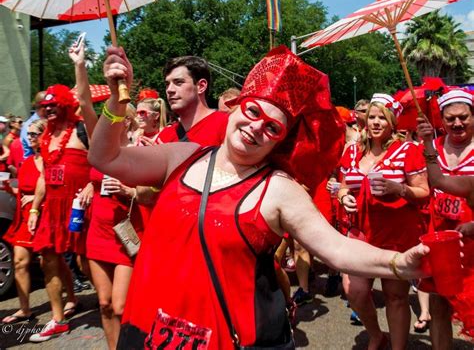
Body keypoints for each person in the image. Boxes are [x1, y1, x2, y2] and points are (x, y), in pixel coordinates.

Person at [89, 46, 433, 350]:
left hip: (228, 335)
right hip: (147, 325)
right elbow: (106, 158)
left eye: (272, 128)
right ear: (237, 108)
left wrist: (397, 264)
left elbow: (337, 248)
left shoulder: (277, 187)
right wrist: (116, 101)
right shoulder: (181, 156)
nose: (256, 128)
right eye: (253, 113)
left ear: (278, 142)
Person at [337, 93, 429, 350]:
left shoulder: (408, 150)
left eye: (382, 118)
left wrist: (397, 189)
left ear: (393, 122)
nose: (376, 122)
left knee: (396, 296)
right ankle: (376, 334)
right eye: (372, 117)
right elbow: (344, 187)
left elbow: (423, 192)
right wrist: (344, 198)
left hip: (396, 234)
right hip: (359, 232)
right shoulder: (353, 151)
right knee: (354, 290)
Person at [67, 38, 143, 349]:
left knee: (122, 305)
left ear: (128, 118)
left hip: (126, 232)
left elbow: (152, 190)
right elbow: (84, 102)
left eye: (122, 114)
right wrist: (80, 65)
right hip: (97, 230)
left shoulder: (138, 150)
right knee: (104, 303)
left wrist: (127, 190)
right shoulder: (100, 142)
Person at [27, 84, 91, 342]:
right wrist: (34, 208)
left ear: (66, 105)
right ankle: (58, 319)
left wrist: (91, 185)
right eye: (45, 106)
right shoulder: (44, 137)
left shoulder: (82, 129)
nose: (49, 109)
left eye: (54, 105)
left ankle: (110, 300)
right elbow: (44, 176)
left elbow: (103, 161)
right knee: (47, 259)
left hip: (80, 206)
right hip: (52, 208)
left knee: (85, 262)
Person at [416, 89, 474, 347]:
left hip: (473, 240)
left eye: (463, 117)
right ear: (441, 120)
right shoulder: (431, 147)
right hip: (440, 240)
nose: (457, 123)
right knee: (439, 306)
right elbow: (422, 184)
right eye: (450, 119)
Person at [2, 119, 46, 324]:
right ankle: (24, 309)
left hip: (44, 214)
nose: (30, 138)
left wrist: (38, 200)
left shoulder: (50, 160)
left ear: (45, 135)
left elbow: (55, 187)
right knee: (20, 262)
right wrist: (11, 189)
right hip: (25, 217)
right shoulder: (28, 161)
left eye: (34, 134)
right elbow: (24, 189)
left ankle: (70, 299)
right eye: (28, 135)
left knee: (51, 264)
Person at [158, 56, 228, 145]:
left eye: (178, 82)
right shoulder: (165, 136)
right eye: (167, 84)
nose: (169, 90)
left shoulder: (226, 125)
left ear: (201, 86)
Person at [21, 91, 47, 159]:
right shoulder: (30, 126)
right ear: (43, 108)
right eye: (49, 105)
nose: (51, 108)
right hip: (34, 165)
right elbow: (36, 148)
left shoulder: (46, 121)